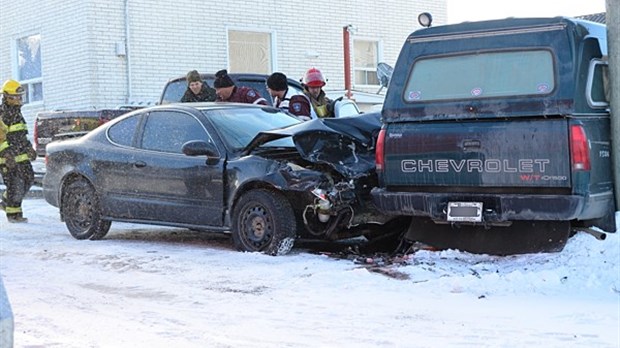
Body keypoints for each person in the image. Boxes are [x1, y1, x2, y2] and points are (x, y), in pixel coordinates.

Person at [0, 79, 37, 223]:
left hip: (21, 155)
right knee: (16, 184)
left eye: (21, 96)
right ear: (7, 97)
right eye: (17, 96)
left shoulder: (17, 113)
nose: (20, 99)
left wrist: (29, 148)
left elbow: (20, 135)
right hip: (7, 158)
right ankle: (14, 215)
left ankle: (5, 201)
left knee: (28, 179)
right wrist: (7, 154)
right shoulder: (2, 114)